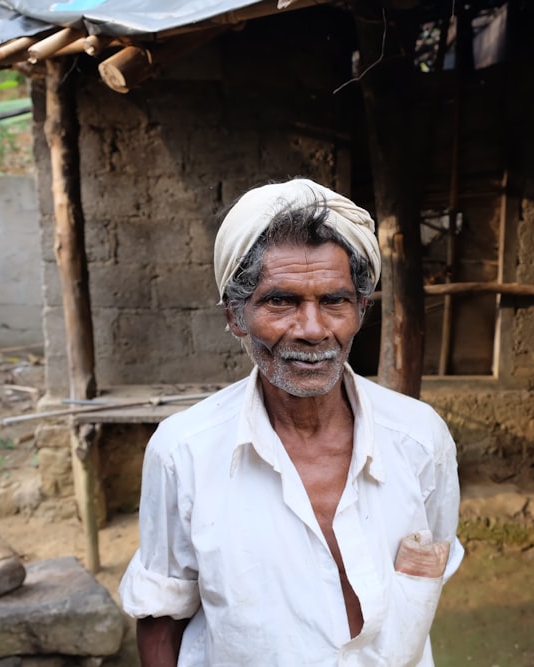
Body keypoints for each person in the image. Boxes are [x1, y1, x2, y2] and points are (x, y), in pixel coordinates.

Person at [118, 178, 464, 666]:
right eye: (281, 301)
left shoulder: (420, 439)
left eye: (334, 301)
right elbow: (161, 616)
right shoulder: (185, 452)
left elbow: (430, 566)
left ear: (361, 309)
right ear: (236, 316)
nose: (312, 329)